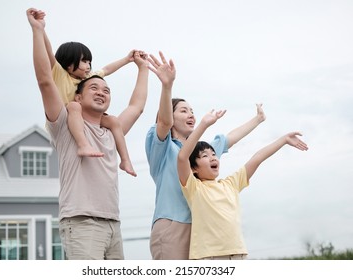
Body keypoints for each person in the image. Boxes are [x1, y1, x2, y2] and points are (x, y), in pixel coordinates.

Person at [27, 8, 149, 260]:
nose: (102, 91)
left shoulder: (110, 129)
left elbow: (136, 107)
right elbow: (44, 80)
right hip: (81, 223)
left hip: (113, 224)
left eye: (106, 90)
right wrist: (38, 31)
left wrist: (142, 68)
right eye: (94, 87)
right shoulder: (64, 123)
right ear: (79, 96)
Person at [145, 51, 267, 260]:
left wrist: (257, 120)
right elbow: (164, 122)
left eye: (192, 110)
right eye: (183, 111)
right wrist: (167, 86)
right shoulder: (162, 146)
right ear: (169, 115)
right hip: (172, 226)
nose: (191, 114)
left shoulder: (202, 151)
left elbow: (229, 138)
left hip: (201, 232)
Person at [177, 108, 309, 260]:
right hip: (208, 256)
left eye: (214, 154)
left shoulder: (230, 184)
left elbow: (257, 158)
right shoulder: (194, 188)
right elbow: (182, 158)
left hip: (237, 253)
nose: (213, 157)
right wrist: (204, 125)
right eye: (205, 156)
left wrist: (283, 140)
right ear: (194, 168)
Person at [32, 9, 142, 177]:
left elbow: (107, 69)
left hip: (87, 119)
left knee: (112, 120)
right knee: (74, 106)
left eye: (89, 61)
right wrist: (40, 29)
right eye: (84, 61)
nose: (88, 65)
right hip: (64, 121)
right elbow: (48, 52)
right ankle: (83, 144)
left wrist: (127, 60)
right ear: (68, 64)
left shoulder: (89, 78)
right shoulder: (60, 74)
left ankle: (125, 159)